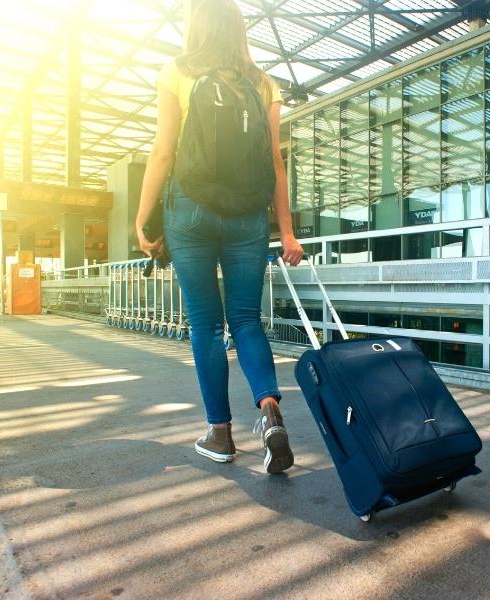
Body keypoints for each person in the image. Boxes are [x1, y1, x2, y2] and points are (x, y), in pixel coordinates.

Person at [135, 0, 303, 472]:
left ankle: (220, 433)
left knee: (206, 325)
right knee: (247, 321)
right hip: (248, 218)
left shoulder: (177, 71)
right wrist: (287, 233)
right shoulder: (263, 82)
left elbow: (163, 151)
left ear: (196, 24)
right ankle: (270, 413)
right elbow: (275, 164)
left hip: (189, 212)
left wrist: (143, 215)